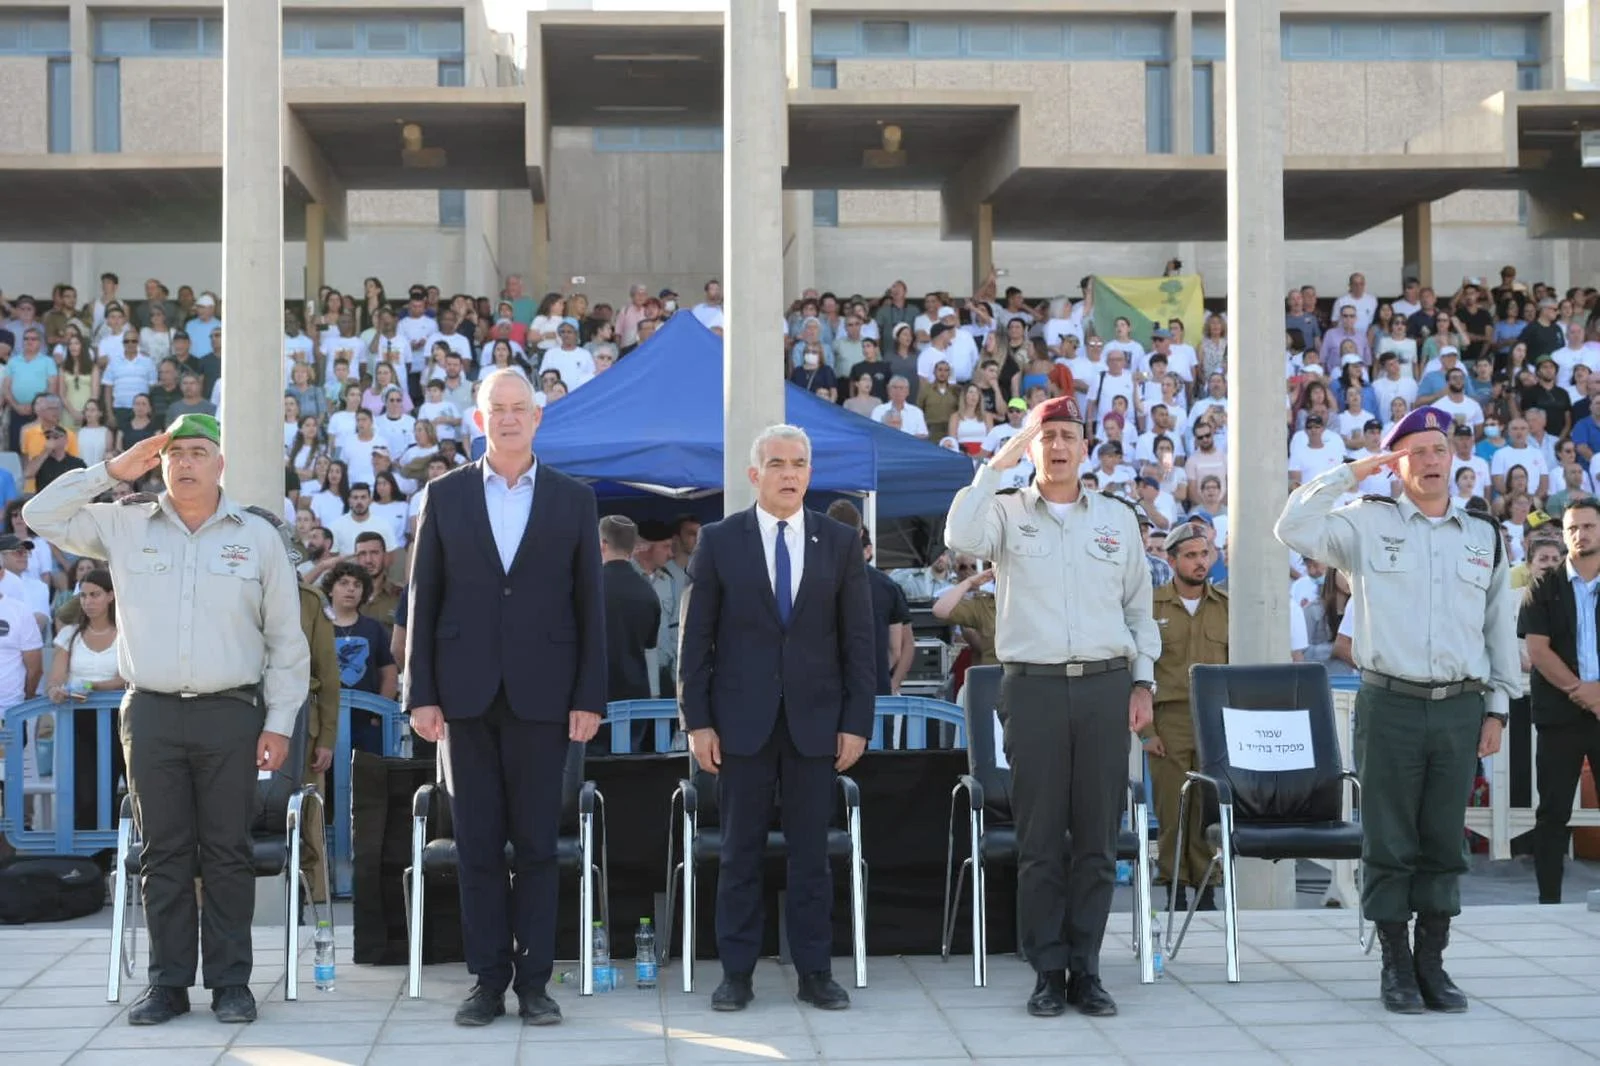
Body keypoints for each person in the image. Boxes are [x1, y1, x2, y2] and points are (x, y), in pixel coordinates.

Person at [21, 412, 309, 1026]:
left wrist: (280, 722)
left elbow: (287, 640)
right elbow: (40, 516)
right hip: (149, 712)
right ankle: (169, 985)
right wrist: (113, 470)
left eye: (198, 452)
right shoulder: (126, 524)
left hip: (231, 712)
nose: (184, 463)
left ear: (219, 464)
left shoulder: (256, 537)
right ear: (159, 462)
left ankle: (232, 983)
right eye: (173, 453)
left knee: (228, 852)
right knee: (163, 853)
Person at [1274, 404, 1517, 1015]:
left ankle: (1433, 962)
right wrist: (1352, 472)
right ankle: (1395, 964)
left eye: (1440, 449)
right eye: (1416, 451)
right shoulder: (1365, 523)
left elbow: (1497, 626)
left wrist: (1498, 710)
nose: (1432, 461)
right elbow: (1293, 526)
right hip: (1391, 704)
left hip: (1460, 707)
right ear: (1395, 462)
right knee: (1388, 839)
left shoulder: (1482, 534)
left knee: (1442, 839)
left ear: (1454, 456)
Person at [944, 395, 1159, 1019]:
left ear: (1085, 447)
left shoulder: (1117, 519)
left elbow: (1139, 610)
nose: (1058, 445)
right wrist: (996, 462)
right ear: (1031, 448)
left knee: (1097, 835)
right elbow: (959, 533)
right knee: (1039, 839)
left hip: (1103, 685)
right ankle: (1046, 969)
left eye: (1068, 434)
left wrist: (1141, 683)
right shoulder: (1006, 513)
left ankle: (1087, 968)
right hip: (1033, 687)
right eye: (1046, 436)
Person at [404, 368, 605, 1028]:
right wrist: (420, 693)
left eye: (522, 408)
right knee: (478, 847)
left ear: (538, 419)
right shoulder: (445, 495)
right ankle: (487, 981)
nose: (510, 418)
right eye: (499, 408)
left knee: (539, 848)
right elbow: (423, 598)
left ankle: (537, 983)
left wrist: (589, 695)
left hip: (546, 698)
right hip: (464, 699)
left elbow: (589, 607)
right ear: (478, 419)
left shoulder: (574, 500)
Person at [677, 424, 875, 1013]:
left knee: (811, 856)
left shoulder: (839, 543)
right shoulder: (720, 540)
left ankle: (815, 972)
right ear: (754, 474)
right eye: (778, 463)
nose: (790, 473)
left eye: (799, 464)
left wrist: (857, 721)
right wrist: (698, 721)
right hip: (740, 727)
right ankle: (735, 974)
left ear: (810, 473)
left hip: (817, 726)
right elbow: (695, 640)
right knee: (739, 853)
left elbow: (858, 643)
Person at [1517, 498, 1600, 903]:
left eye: (1588, 526)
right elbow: (1538, 650)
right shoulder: (1543, 587)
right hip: (1560, 717)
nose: (1580, 534)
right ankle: (1548, 901)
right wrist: (1585, 693)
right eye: (1572, 528)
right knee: (1552, 814)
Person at [1143, 525, 1227, 912]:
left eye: (1204, 553)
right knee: (1173, 807)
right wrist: (1145, 731)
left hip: (1216, 722)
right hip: (1170, 717)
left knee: (1209, 806)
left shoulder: (1226, 606)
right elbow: (1137, 671)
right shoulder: (1150, 607)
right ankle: (1175, 886)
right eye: (1190, 555)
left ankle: (1208, 888)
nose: (1199, 562)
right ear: (1172, 560)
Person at [45, 567, 126, 836]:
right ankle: (91, 867)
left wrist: (91, 686)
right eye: (83, 596)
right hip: (80, 723)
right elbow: (55, 679)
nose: (88, 601)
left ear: (111, 596)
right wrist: (57, 690)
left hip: (122, 722)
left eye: (95, 595)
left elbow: (126, 678)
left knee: (133, 792)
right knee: (86, 795)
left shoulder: (127, 635)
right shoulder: (70, 634)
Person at [598, 514, 659, 748]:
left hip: (595, 697)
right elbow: (650, 644)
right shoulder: (647, 591)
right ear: (633, 548)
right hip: (636, 698)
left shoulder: (589, 588)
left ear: (602, 544)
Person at [296, 576, 340, 906]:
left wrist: (326, 737)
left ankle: (314, 895)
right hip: (242, 713)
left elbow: (327, 674)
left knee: (309, 813)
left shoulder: (309, 600)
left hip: (301, 719)